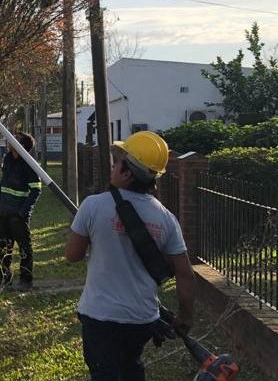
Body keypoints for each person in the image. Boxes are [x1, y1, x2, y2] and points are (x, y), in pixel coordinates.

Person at [64, 131, 196, 381]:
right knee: (131, 366)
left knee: (105, 374)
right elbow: (185, 274)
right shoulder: (166, 218)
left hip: (99, 317)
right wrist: (186, 316)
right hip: (141, 319)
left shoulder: (93, 206)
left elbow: (72, 255)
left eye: (116, 164)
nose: (112, 168)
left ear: (126, 173)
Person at [0, 132, 42, 291]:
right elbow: (3, 181)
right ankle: (3, 277)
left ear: (22, 145)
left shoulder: (30, 164)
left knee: (24, 249)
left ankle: (26, 281)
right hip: (5, 211)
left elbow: (36, 190)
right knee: (4, 246)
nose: (10, 140)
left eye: (15, 139)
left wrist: (23, 212)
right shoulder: (7, 159)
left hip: (18, 215)